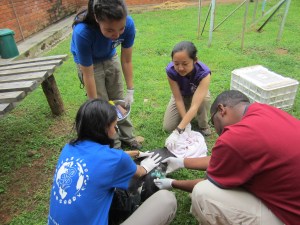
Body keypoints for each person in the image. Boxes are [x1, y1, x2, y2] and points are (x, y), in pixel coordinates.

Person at [155, 90, 300, 225]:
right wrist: (181, 162)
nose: (217, 131)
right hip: (290, 196)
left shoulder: (235, 137)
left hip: (291, 218)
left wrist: (173, 183)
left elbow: (209, 183)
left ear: (221, 110)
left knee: (202, 193)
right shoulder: (265, 110)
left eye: (213, 123)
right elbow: (224, 159)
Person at [48, 99, 177, 225]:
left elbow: (101, 159)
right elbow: (140, 172)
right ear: (104, 128)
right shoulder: (115, 159)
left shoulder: (68, 149)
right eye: (114, 126)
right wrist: (146, 166)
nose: (116, 130)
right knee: (167, 200)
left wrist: (135, 153)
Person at [71, 0, 142, 149]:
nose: (116, 35)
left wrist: (131, 90)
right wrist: (95, 106)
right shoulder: (82, 32)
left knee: (118, 99)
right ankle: (113, 143)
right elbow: (88, 75)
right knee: (102, 102)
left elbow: (127, 61)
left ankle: (127, 136)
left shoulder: (128, 24)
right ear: (97, 19)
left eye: (120, 29)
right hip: (89, 64)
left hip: (110, 56)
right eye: (109, 30)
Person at [163, 41, 212, 137]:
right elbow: (178, 99)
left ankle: (203, 125)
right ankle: (188, 116)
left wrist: (179, 129)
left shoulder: (204, 73)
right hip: (182, 95)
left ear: (195, 60)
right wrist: (185, 123)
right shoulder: (170, 71)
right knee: (168, 127)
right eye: (176, 64)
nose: (180, 68)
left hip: (197, 95)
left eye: (185, 64)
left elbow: (195, 105)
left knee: (204, 100)